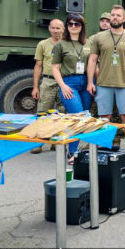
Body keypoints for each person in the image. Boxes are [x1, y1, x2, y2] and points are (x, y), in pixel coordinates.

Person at [87, 5, 125, 151]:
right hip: (103, 83)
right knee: (104, 117)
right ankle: (104, 147)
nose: (115, 18)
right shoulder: (99, 37)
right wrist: (90, 82)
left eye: (118, 15)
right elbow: (92, 60)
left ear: (124, 19)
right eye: (113, 15)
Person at [51, 13, 93, 157]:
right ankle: (72, 152)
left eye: (77, 24)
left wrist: (92, 83)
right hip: (69, 84)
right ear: (67, 26)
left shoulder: (88, 43)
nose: (73, 26)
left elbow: (92, 64)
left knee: (84, 118)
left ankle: (77, 148)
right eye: (70, 24)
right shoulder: (61, 44)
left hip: (86, 82)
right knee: (77, 117)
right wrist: (62, 86)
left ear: (82, 26)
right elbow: (55, 68)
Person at [88, 12, 124, 150]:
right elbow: (91, 60)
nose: (104, 23)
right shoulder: (94, 39)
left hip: (115, 80)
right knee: (97, 112)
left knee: (115, 112)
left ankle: (115, 140)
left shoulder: (120, 37)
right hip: (99, 81)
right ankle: (96, 141)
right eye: (102, 20)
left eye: (107, 21)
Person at [29, 18, 65, 154]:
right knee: (43, 112)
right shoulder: (43, 44)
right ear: (49, 29)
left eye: (58, 28)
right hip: (47, 81)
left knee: (62, 113)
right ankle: (39, 142)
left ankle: (56, 141)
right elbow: (38, 66)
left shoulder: (67, 44)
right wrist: (35, 87)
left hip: (63, 82)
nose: (55, 31)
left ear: (63, 29)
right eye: (53, 28)